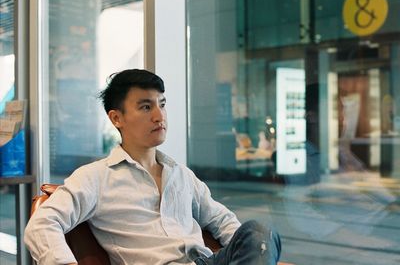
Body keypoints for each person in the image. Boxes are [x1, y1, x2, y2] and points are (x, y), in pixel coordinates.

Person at [24, 69, 281, 265]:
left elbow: (222, 220)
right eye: (146, 107)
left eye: (162, 104)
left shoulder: (181, 174)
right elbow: (42, 224)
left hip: (204, 261)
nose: (159, 116)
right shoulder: (95, 177)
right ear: (117, 118)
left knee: (260, 232)